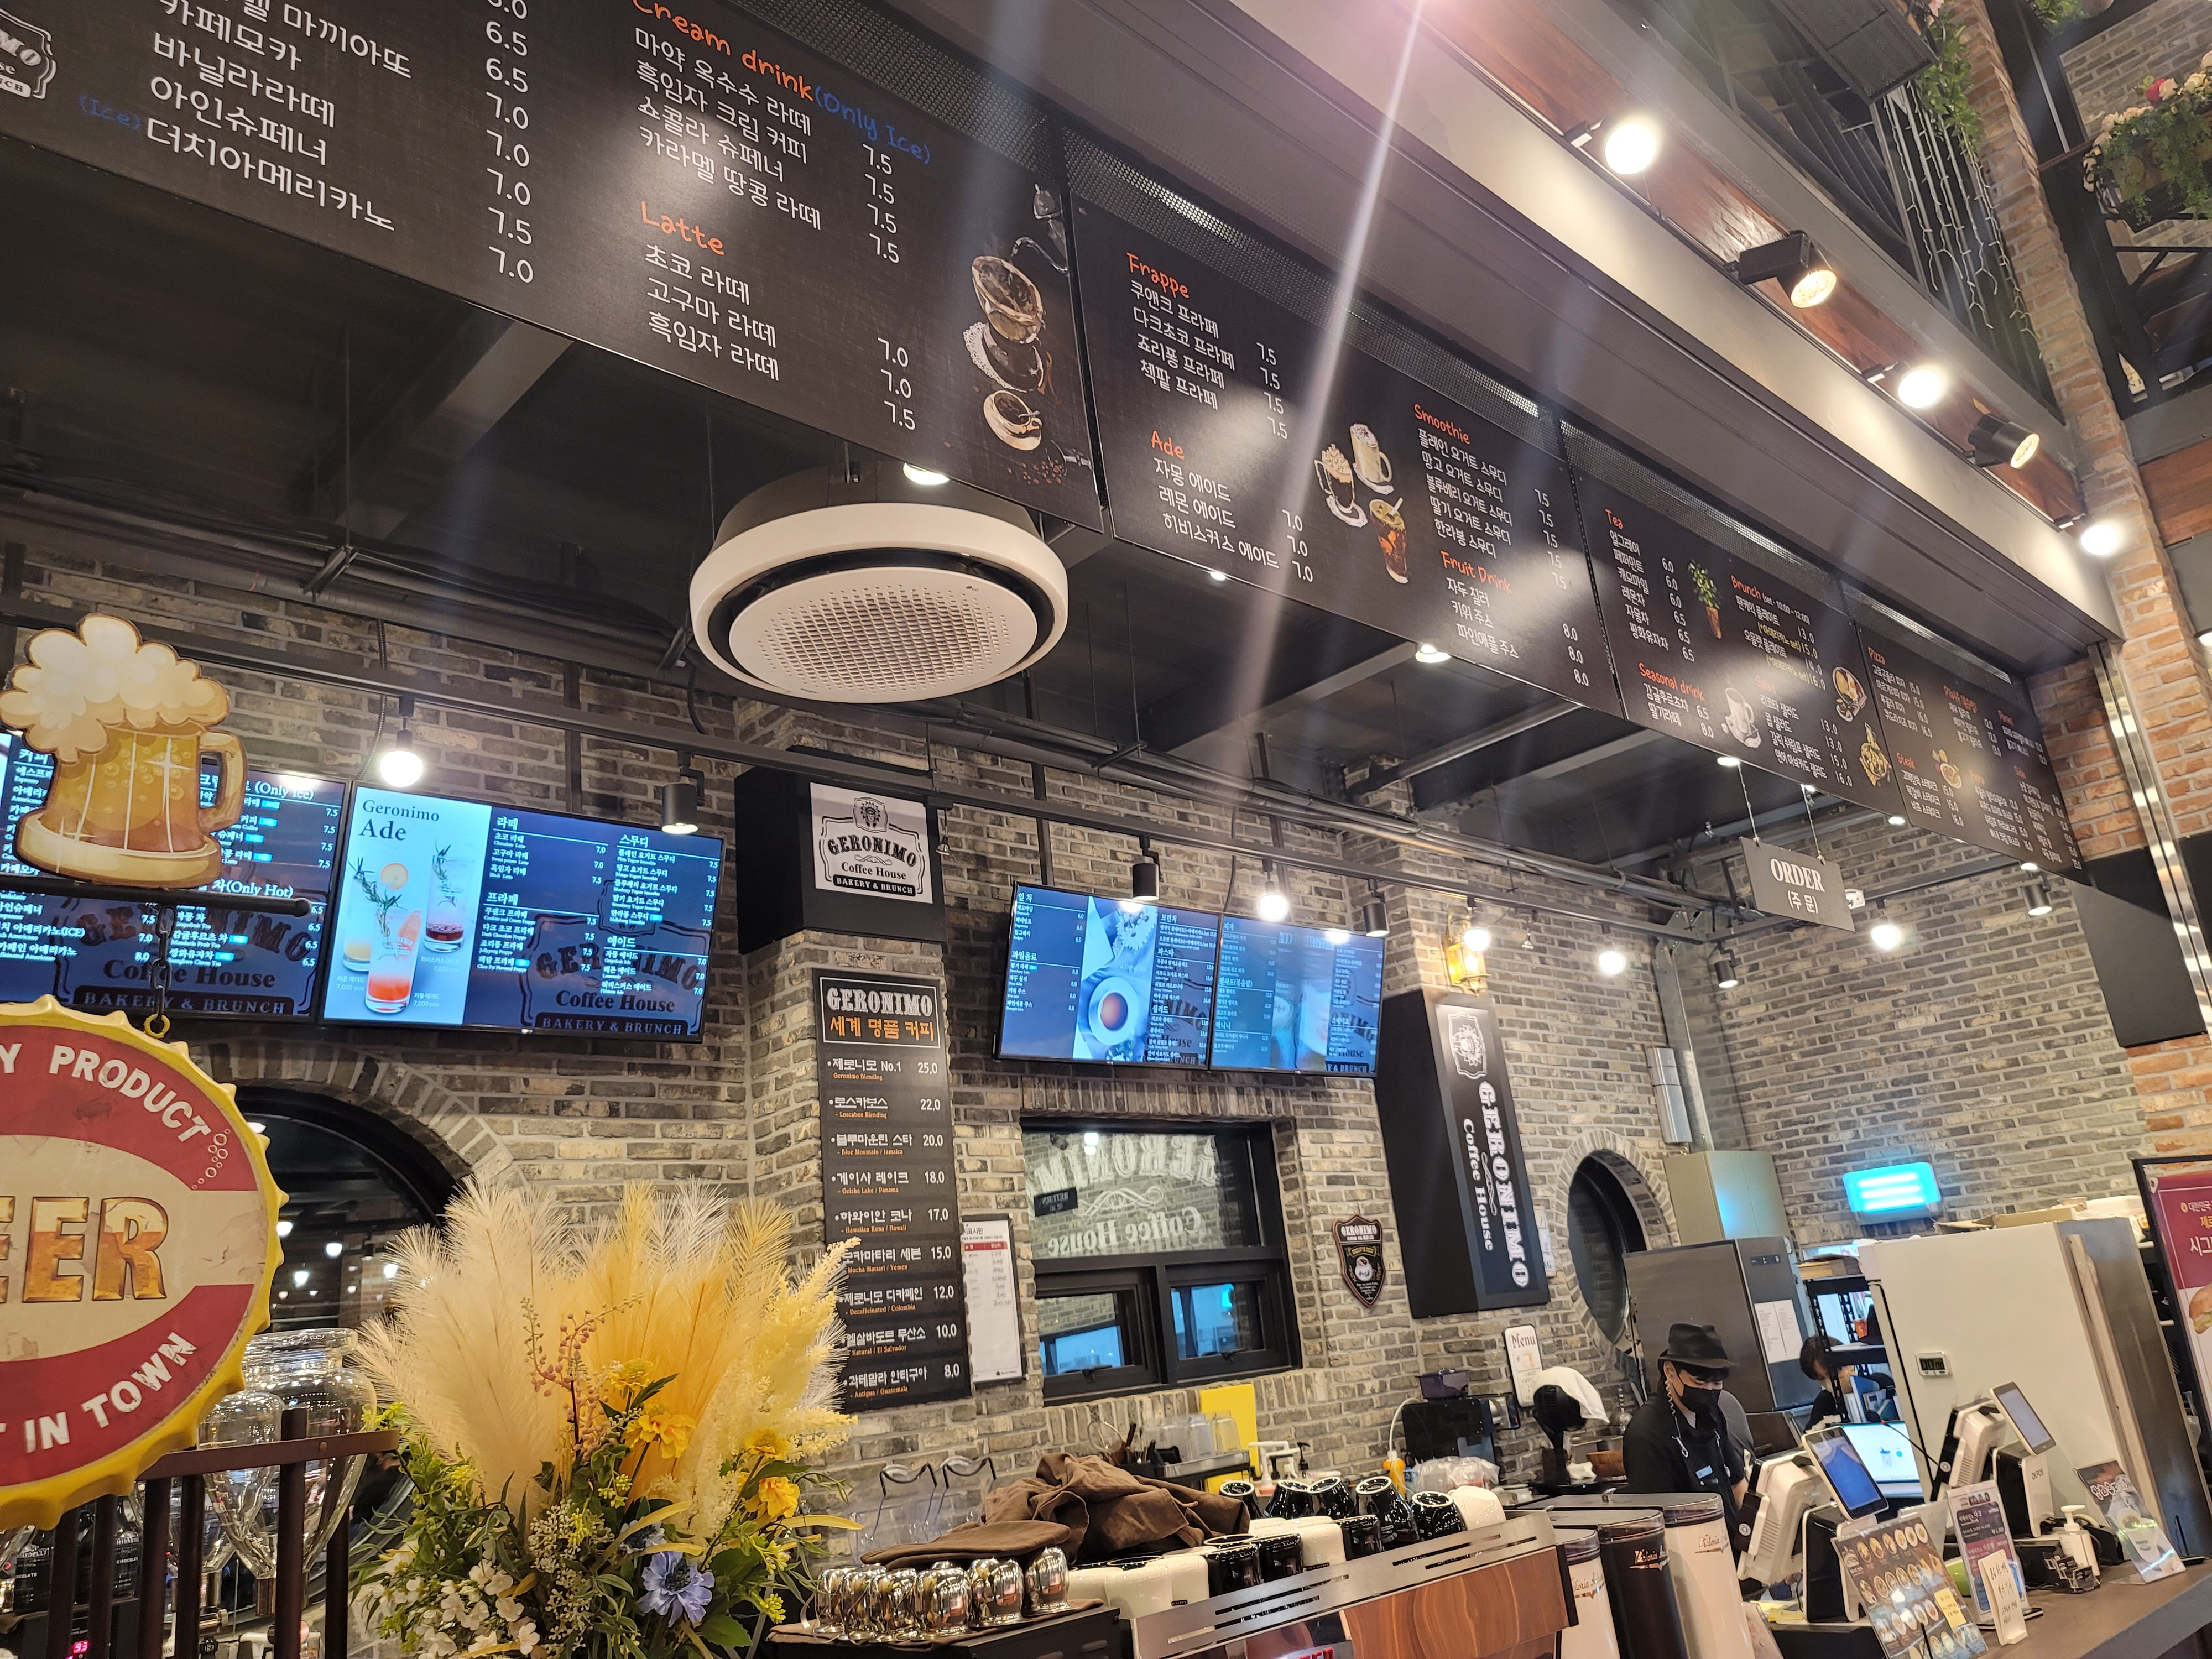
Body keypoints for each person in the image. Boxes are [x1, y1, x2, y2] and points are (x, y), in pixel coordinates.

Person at [1624, 1322, 1747, 1538]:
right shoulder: (1647, 1434)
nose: (1709, 1390)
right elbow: (1655, 1524)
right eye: (1699, 1382)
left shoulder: (1712, 1414)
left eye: (1717, 1383)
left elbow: (1738, 1485)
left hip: (1731, 1543)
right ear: (1670, 1372)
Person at [1801, 1334, 1854, 1428]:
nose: (1829, 1381)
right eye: (1822, 1379)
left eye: (1832, 1374)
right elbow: (1810, 1434)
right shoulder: (1825, 1401)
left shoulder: (1876, 1385)